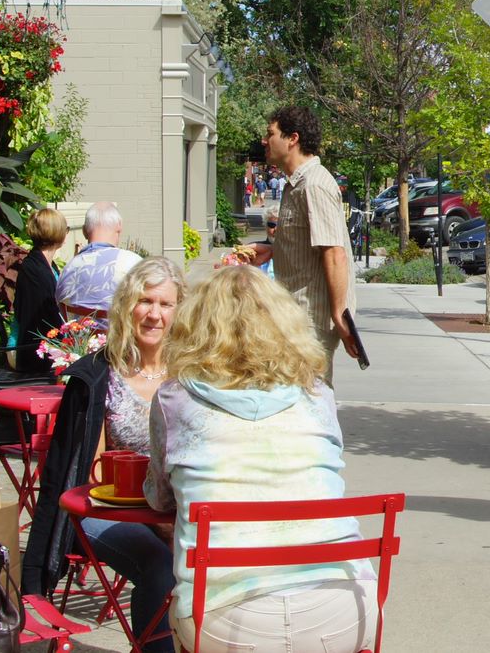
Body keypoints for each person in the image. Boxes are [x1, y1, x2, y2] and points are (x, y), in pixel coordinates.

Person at [146, 266, 375, 653]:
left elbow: (161, 499)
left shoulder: (175, 399)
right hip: (345, 610)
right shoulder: (318, 395)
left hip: (226, 619)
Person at [79, 256, 186, 653]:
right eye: (145, 302)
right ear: (128, 306)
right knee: (160, 565)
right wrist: (151, 520)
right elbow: (91, 472)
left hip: (177, 513)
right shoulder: (102, 373)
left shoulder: (190, 374)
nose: (154, 314)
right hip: (107, 511)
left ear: (179, 311)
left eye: (165, 304)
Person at [247, 106, 357, 383]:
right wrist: (274, 251)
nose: (265, 140)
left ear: (292, 138)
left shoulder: (314, 185)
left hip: (311, 322)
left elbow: (334, 254)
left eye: (270, 133)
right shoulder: (296, 185)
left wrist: (339, 315)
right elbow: (313, 245)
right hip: (295, 317)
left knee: (310, 404)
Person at [57, 201, 143, 315]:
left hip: (77, 332)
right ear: (119, 227)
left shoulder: (69, 269)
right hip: (121, 332)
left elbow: (59, 306)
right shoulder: (134, 264)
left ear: (84, 231)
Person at [12, 208, 68, 373]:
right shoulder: (35, 270)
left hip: (43, 343)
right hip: (32, 352)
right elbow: (41, 317)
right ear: (58, 233)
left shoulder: (47, 265)